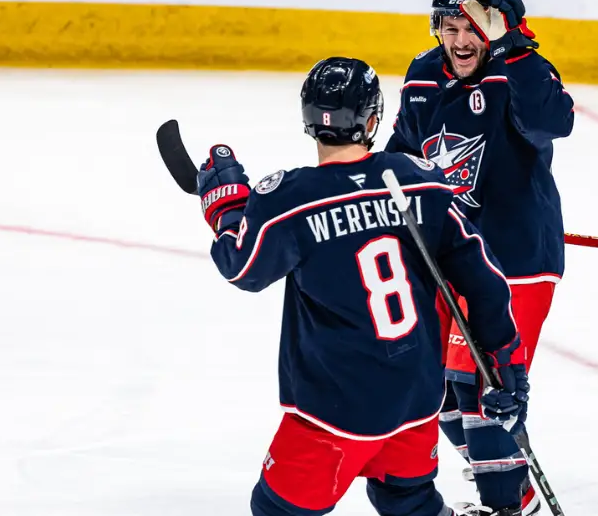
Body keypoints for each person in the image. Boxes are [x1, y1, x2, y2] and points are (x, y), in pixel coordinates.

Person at [195, 56, 530, 516]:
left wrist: (226, 206)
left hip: (334, 410)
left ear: (309, 120)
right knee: (406, 500)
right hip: (417, 396)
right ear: (372, 119)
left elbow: (243, 266)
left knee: (276, 509)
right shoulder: (418, 181)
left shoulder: (292, 199)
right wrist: (504, 362)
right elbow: (484, 278)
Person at [384, 0, 574, 516]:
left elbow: (553, 122)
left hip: (517, 259)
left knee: (486, 392)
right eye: (450, 27)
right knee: (439, 398)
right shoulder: (423, 75)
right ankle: (516, 490)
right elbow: (405, 154)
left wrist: (516, 44)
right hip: (452, 259)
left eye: (475, 27)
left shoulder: (517, 70)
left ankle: (506, 506)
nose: (461, 40)